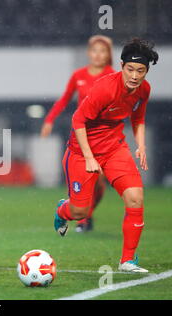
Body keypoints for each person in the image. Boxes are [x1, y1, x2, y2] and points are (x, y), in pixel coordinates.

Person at [53, 38, 158, 273]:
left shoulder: (144, 89)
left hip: (114, 148)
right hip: (81, 152)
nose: (134, 75)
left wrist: (140, 145)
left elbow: (138, 118)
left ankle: (127, 261)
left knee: (135, 198)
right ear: (121, 65)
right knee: (79, 211)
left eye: (140, 71)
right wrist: (90, 157)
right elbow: (78, 120)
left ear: (146, 71)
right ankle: (62, 210)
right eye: (130, 69)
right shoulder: (105, 88)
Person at [41, 35, 115, 232]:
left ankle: (85, 215)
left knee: (99, 185)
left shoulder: (113, 76)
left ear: (109, 55)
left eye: (103, 51)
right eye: (95, 50)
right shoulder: (79, 75)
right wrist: (49, 120)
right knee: (85, 178)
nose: (98, 55)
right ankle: (81, 217)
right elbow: (64, 100)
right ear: (88, 53)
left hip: (103, 137)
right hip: (82, 134)